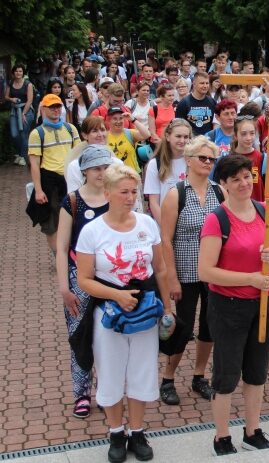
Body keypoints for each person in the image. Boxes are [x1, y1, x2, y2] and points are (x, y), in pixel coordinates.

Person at [76, 164, 172, 462]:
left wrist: (168, 306)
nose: (131, 198)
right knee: (111, 372)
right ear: (108, 193)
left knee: (142, 371)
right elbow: (84, 279)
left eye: (134, 191)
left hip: (144, 311)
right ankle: (116, 432)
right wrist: (117, 295)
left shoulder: (147, 224)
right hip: (109, 313)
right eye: (124, 192)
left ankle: (138, 431)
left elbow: (161, 268)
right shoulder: (92, 231)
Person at [198, 154, 269, 455]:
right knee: (226, 374)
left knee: (257, 371)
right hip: (228, 307)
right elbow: (206, 271)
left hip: (263, 304)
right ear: (223, 184)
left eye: (247, 176)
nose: (243, 183)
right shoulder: (216, 219)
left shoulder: (266, 211)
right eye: (235, 179)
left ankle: (253, 429)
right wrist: (249, 277)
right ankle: (222, 436)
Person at [159, 136, 223, 405]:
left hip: (213, 271)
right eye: (203, 158)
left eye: (211, 159)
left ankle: (199, 376)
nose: (208, 163)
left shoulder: (219, 192)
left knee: (209, 326)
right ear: (189, 160)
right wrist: (171, 276)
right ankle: (168, 378)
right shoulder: (176, 194)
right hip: (185, 272)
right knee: (182, 328)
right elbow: (165, 239)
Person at [56, 145, 112, 419]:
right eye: (96, 169)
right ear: (85, 172)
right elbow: (62, 246)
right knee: (80, 336)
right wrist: (64, 287)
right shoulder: (73, 201)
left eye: (105, 168)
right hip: (79, 279)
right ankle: (81, 393)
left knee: (107, 335)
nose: (101, 173)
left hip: (111, 280)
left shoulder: (116, 197)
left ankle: (106, 389)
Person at [27, 94, 81, 253]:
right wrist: (38, 190)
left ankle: (70, 254)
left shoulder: (71, 129)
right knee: (51, 222)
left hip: (69, 179)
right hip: (49, 181)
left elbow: (78, 155)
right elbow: (34, 164)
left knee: (73, 218)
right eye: (52, 107)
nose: (56, 110)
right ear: (43, 109)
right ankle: (59, 256)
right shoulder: (37, 133)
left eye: (58, 106)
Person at [144, 119, 192, 225]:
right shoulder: (155, 164)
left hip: (190, 224)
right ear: (167, 136)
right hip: (164, 222)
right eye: (178, 136)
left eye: (186, 137)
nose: (182, 140)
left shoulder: (194, 161)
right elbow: (154, 203)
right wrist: (166, 228)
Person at [65, 116, 124, 192]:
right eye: (94, 131)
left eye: (102, 130)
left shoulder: (117, 163)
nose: (100, 134)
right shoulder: (75, 166)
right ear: (85, 135)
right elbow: (73, 196)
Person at [230, 116, 266, 201]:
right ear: (235, 135)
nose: (249, 138)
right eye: (243, 134)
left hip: (257, 208)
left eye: (252, 133)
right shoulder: (228, 159)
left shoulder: (262, 158)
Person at [6, 63, 35, 166]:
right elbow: (6, 96)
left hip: (26, 110)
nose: (18, 73)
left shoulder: (28, 84)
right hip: (15, 110)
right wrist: (11, 99)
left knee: (23, 134)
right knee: (14, 134)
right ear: (13, 72)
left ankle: (23, 156)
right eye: (16, 71)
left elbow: (30, 100)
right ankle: (19, 153)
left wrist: (24, 113)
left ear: (23, 73)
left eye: (20, 71)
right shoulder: (11, 83)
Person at [106, 106, 150, 174]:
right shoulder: (104, 137)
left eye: (121, 118)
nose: (118, 121)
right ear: (109, 120)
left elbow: (147, 134)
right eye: (115, 119)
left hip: (132, 175)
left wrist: (133, 120)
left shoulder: (129, 133)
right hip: (114, 177)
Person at [175, 71, 215, 137]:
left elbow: (215, 124)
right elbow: (178, 126)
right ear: (194, 84)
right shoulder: (184, 103)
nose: (205, 86)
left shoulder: (212, 102)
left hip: (208, 142)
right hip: (190, 142)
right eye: (202, 83)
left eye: (207, 83)